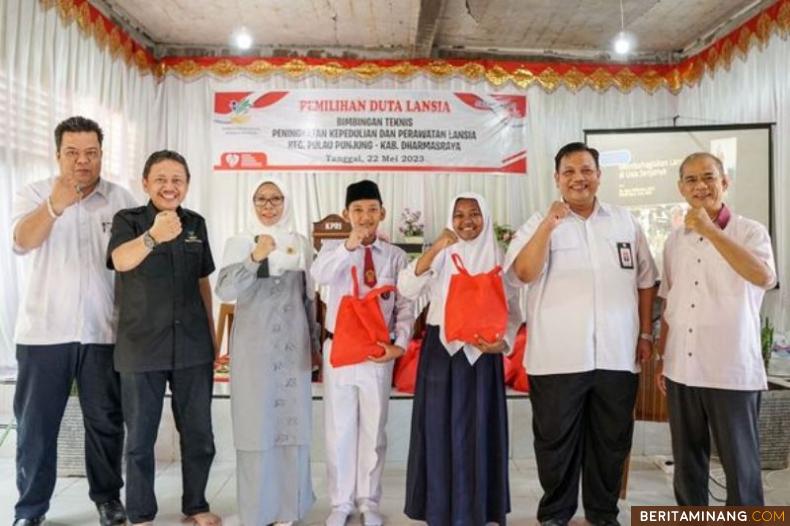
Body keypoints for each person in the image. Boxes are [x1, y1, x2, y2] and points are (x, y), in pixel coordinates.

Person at [504, 142, 658, 526]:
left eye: (586, 170)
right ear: (557, 179)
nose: (578, 178)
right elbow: (522, 273)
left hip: (617, 354)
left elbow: (645, 280)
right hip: (558, 357)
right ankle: (556, 513)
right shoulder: (538, 222)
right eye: (569, 171)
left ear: (599, 176)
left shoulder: (625, 221)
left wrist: (644, 335)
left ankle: (603, 512)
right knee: (555, 443)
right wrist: (547, 225)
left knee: (611, 440)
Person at [11, 116, 134, 526]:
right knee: (36, 428)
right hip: (44, 332)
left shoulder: (121, 200)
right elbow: (21, 241)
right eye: (73, 152)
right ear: (57, 153)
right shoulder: (32, 192)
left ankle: (107, 499)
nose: (82, 161)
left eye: (91, 152)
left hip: (104, 331)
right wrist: (54, 205)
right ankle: (30, 509)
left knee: (105, 422)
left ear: (102, 153)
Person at [655, 152, 776, 505]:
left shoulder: (750, 231)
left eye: (708, 177)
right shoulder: (675, 240)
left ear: (725, 182)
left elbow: (764, 277)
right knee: (688, 465)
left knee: (741, 467)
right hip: (682, 368)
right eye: (691, 180)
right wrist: (664, 357)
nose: (700, 186)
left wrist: (710, 230)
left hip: (730, 369)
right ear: (681, 188)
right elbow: (670, 302)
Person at [107, 150, 220, 526]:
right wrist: (153, 236)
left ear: (186, 184)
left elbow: (203, 281)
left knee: (199, 432)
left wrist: (212, 332)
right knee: (140, 439)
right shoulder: (129, 220)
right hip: (141, 346)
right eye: (161, 179)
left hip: (191, 344)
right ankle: (140, 514)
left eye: (177, 179)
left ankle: (197, 506)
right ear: (145, 183)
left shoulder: (196, 224)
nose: (169, 186)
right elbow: (121, 260)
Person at [399, 193, 522, 526]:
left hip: (482, 358)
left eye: (474, 214)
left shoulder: (500, 257)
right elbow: (407, 287)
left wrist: (504, 343)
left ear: (486, 217)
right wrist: (437, 246)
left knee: (479, 431)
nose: (467, 221)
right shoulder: (443, 253)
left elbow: (514, 311)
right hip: (442, 355)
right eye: (459, 214)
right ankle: (439, 509)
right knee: (439, 431)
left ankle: (477, 510)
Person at [215, 178, 320, 526]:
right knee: (255, 428)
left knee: (291, 427)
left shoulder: (299, 244)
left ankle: (289, 509)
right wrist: (254, 257)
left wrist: (315, 345)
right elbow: (226, 290)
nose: (269, 205)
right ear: (252, 203)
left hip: (292, 349)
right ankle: (259, 511)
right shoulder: (240, 242)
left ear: (285, 203)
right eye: (261, 199)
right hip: (254, 351)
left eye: (276, 199)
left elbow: (309, 299)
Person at [311, 179, 415, 526]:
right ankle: (340, 503)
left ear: (382, 212)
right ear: (346, 214)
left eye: (372, 209)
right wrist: (349, 247)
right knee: (339, 429)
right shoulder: (331, 251)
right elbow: (318, 277)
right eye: (358, 210)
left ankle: (369, 501)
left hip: (376, 353)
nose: (365, 216)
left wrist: (398, 344)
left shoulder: (397, 256)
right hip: (340, 349)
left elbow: (405, 306)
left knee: (374, 428)